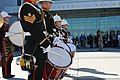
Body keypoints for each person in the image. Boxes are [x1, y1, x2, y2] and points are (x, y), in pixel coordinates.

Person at [20, 0, 55, 80]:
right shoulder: (27, 7)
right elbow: (34, 29)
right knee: (34, 73)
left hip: (37, 43)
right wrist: (45, 43)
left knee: (39, 72)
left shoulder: (34, 8)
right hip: (33, 45)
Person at [0, 11, 15, 78]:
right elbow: (1, 34)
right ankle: (5, 74)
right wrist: (7, 34)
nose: (8, 19)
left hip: (9, 45)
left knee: (9, 59)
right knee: (5, 61)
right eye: (6, 17)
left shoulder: (7, 25)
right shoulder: (1, 25)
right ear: (3, 18)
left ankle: (9, 73)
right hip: (4, 45)